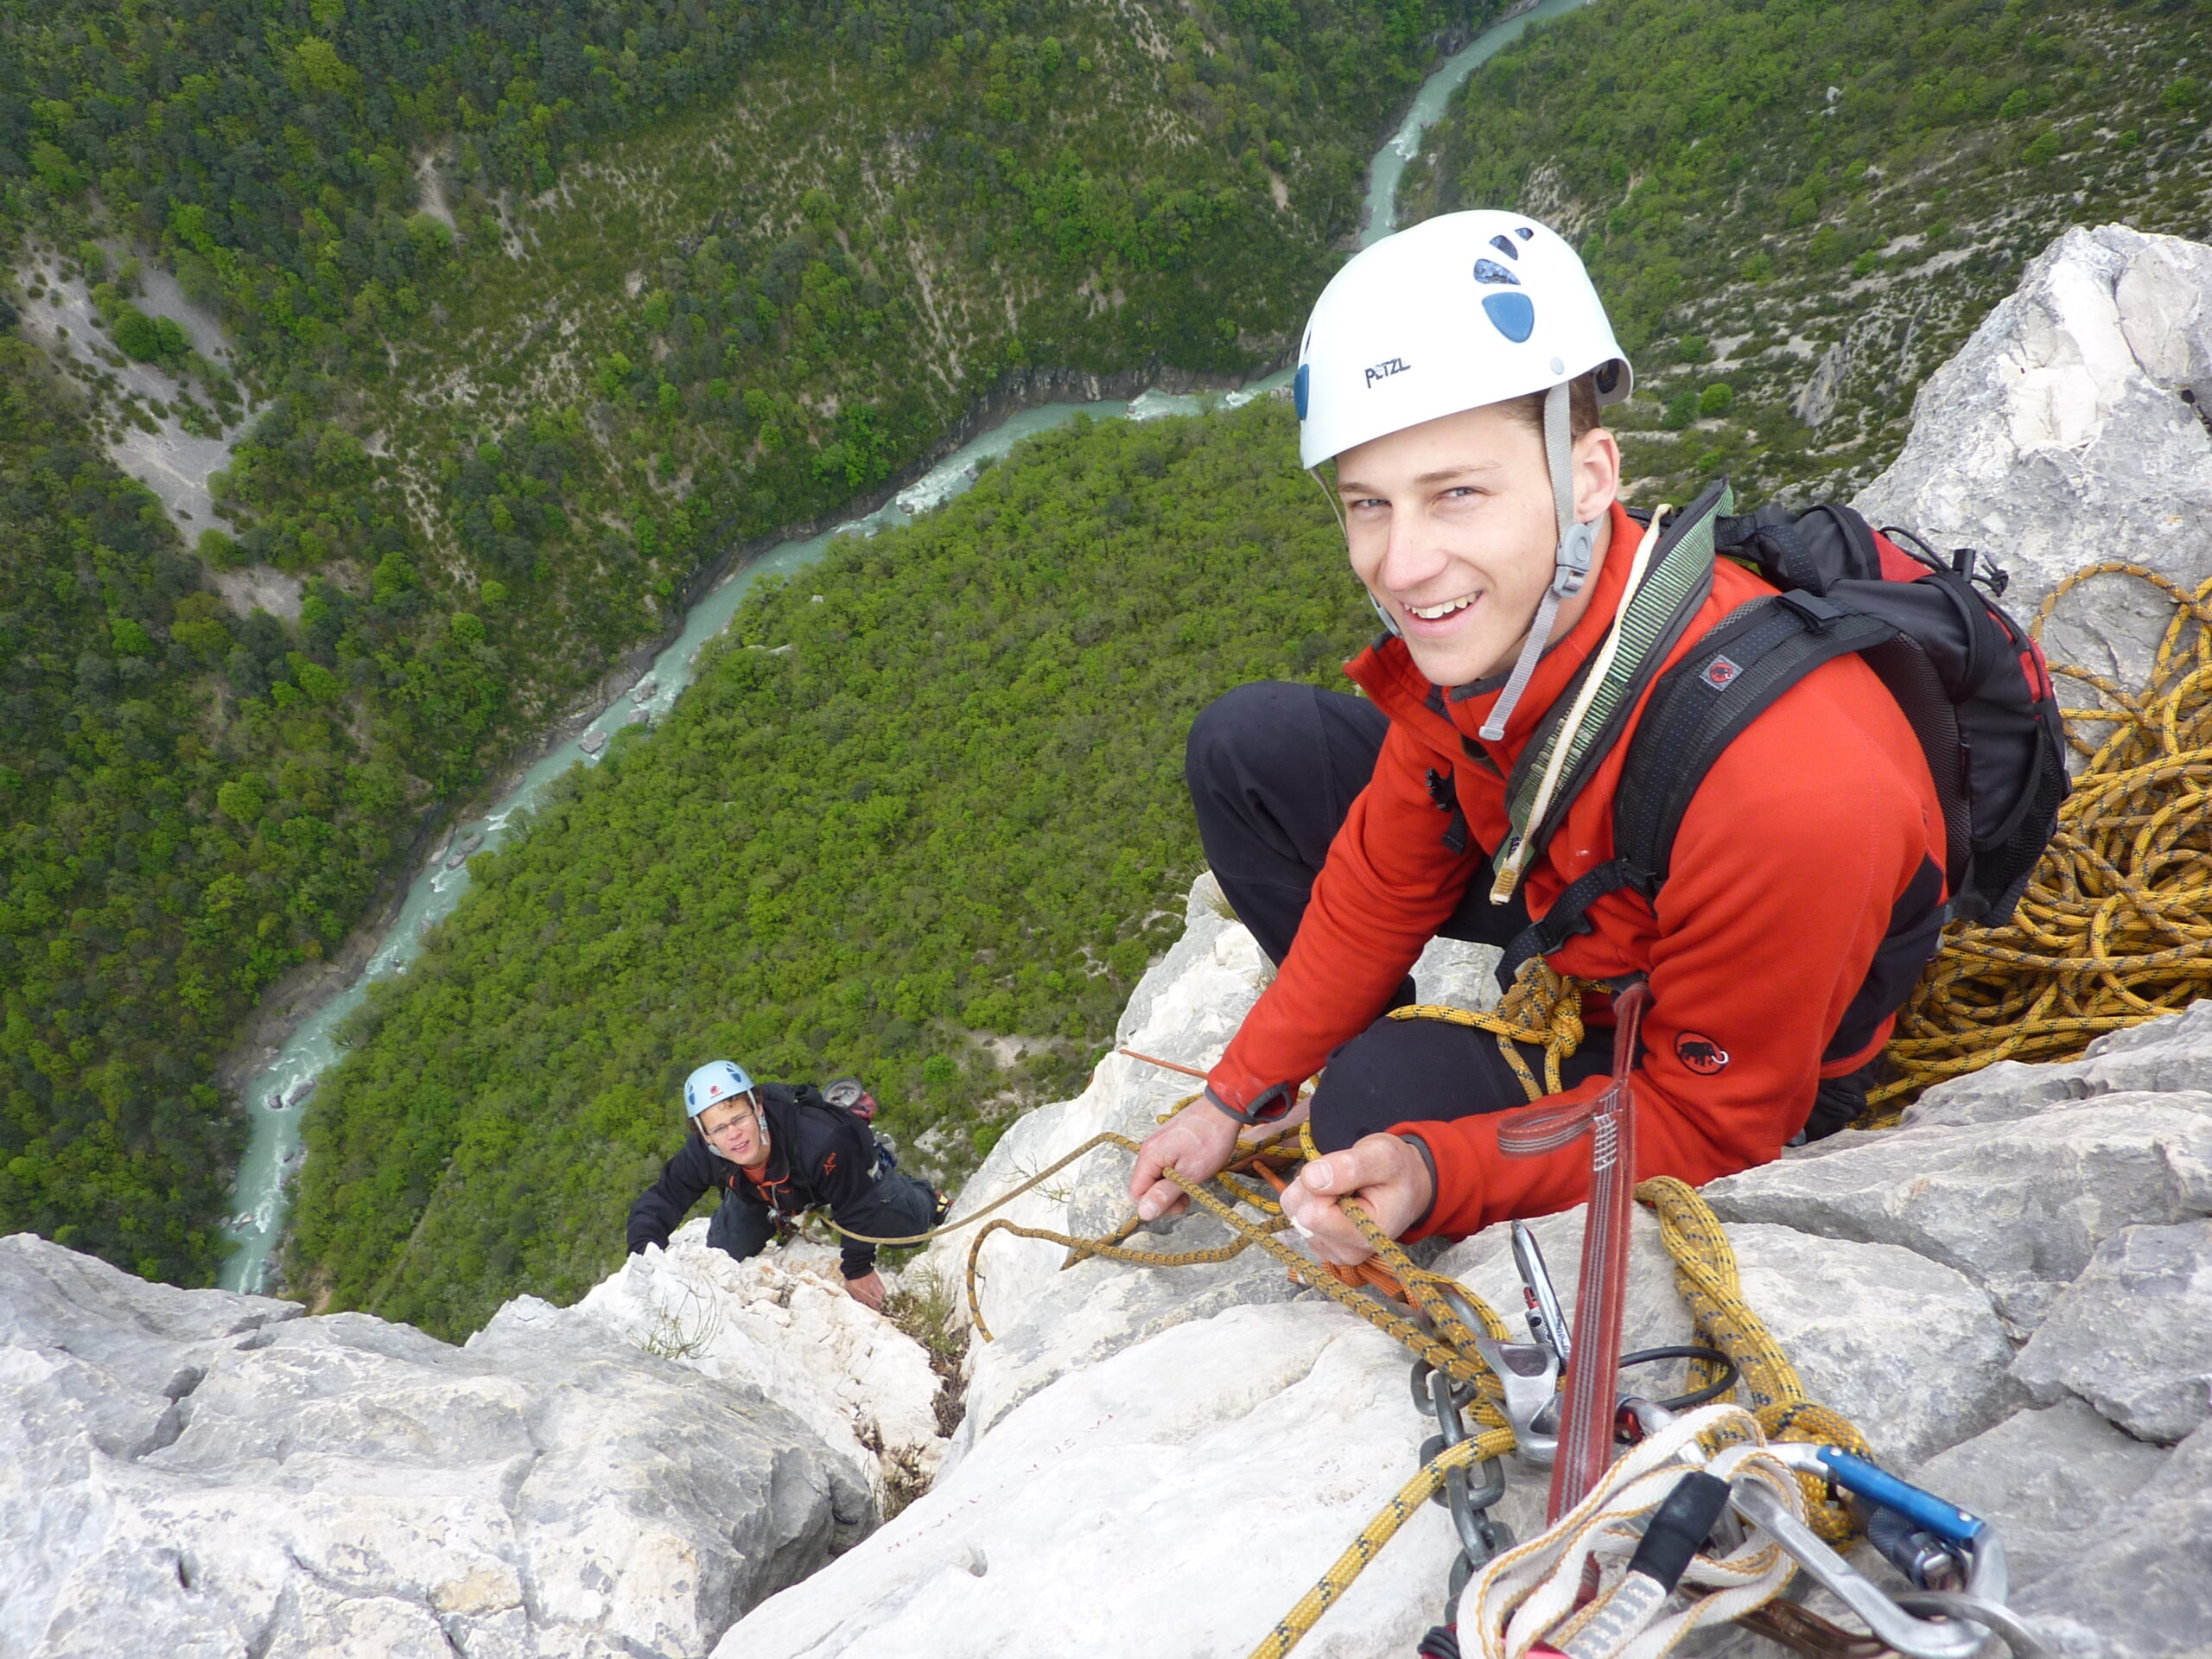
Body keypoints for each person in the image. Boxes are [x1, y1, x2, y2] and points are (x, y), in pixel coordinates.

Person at [1128, 210, 1950, 1268]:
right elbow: (1380, 883)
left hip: (1735, 1039)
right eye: (1368, 504)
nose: (1402, 564)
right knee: (1251, 746)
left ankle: (1397, 1088)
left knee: (1377, 1104)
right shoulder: (1499, 648)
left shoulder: (1788, 794)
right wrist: (1238, 1093)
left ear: (1591, 478)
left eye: (1457, 494)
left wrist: (1435, 1167)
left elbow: (1712, 1125)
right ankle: (1383, 1059)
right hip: (1587, 877)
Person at [628, 1059, 944, 1310]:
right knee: (725, 1251)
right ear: (705, 1135)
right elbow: (664, 1198)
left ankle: (928, 1198)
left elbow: (854, 1203)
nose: (733, 1134)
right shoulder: (704, 1152)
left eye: (739, 1119)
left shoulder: (820, 1140)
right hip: (766, 1192)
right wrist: (643, 1260)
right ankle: (780, 1214)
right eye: (720, 1128)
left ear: (758, 1108)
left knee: (909, 1230)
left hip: (847, 1175)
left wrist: (858, 1269)